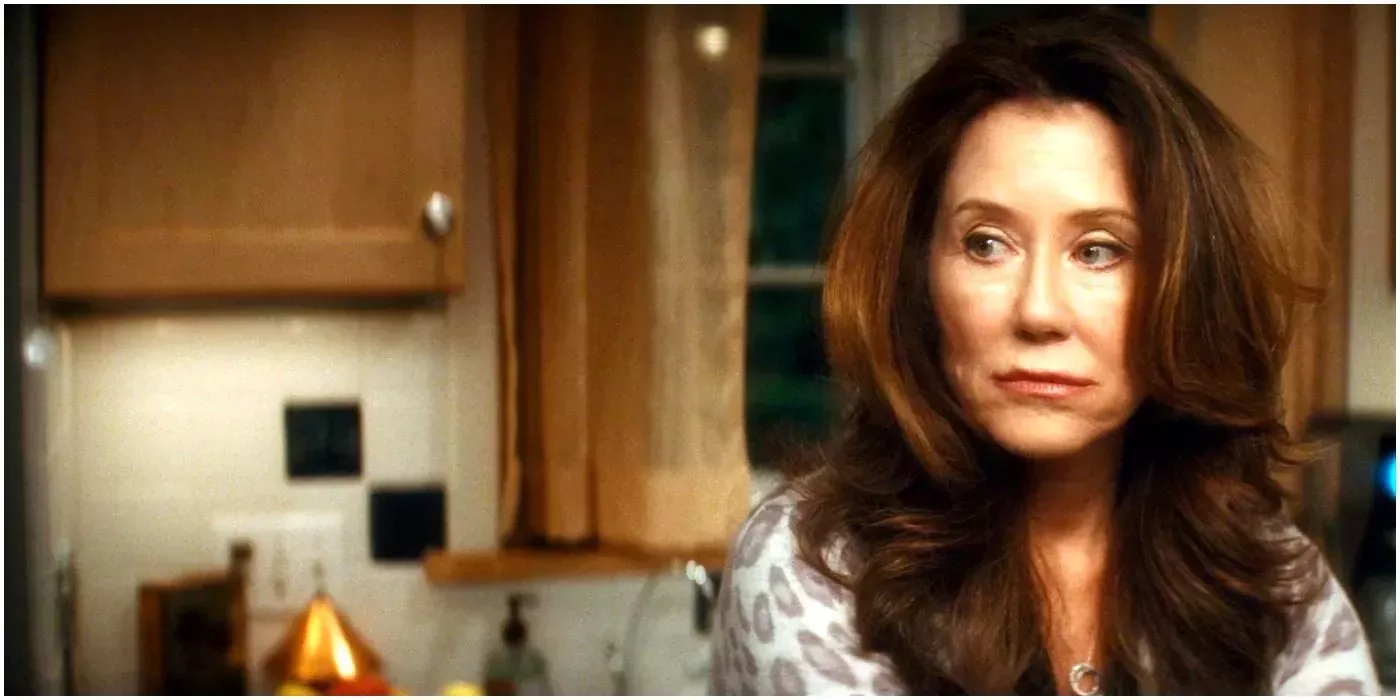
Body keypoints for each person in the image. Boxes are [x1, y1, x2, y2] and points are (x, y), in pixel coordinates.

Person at [710, 12, 1381, 696]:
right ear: (918, 275)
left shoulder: (1266, 573)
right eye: (986, 244)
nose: (1038, 311)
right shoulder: (809, 561)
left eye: (1099, 251)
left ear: (1186, 288)